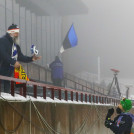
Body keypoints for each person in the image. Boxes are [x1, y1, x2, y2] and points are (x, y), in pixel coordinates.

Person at [0, 24, 41, 93]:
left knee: (6, 93)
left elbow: (21, 57)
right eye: (16, 32)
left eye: (18, 33)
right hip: (1, 72)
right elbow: (3, 54)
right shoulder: (2, 41)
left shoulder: (16, 46)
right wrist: (13, 62)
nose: (17, 34)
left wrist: (31, 59)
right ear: (11, 32)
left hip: (8, 75)